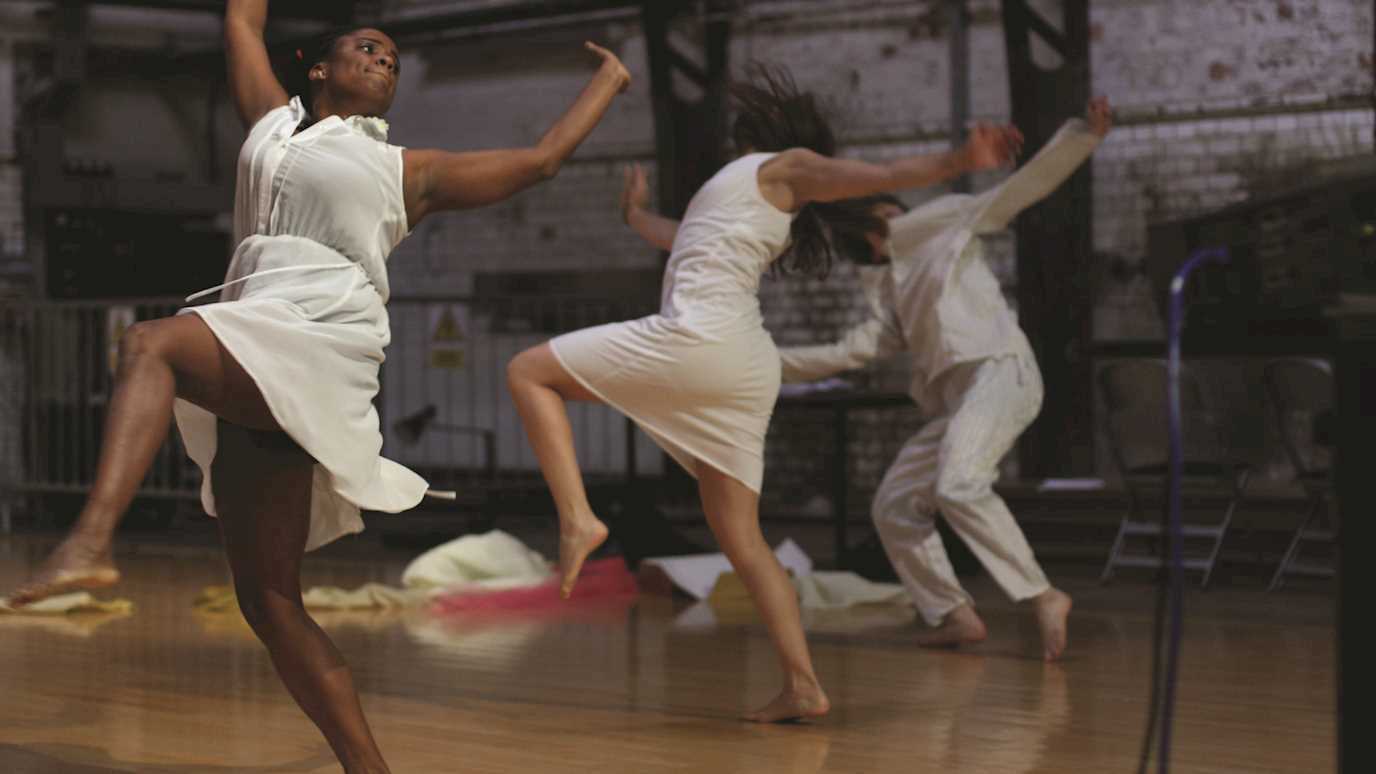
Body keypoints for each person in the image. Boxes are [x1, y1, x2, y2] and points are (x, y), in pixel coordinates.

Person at [7, 1, 630, 770]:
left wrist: (610, 81)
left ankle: (88, 542)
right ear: (319, 68)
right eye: (368, 49)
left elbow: (538, 162)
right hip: (256, 326)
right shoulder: (270, 122)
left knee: (149, 344)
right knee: (268, 602)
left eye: (394, 62)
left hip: (323, 337)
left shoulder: (408, 170)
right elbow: (242, 21)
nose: (383, 63)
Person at [505, 65, 1022, 722]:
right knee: (742, 540)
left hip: (702, 340)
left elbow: (872, 177)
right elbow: (679, 241)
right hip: (747, 365)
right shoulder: (744, 200)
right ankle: (802, 683)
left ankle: (578, 517)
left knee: (528, 371)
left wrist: (959, 159)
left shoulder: (784, 165)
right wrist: (636, 215)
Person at [777, 98, 1114, 662]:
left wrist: (1081, 136)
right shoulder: (887, 287)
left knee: (958, 482)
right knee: (892, 506)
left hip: (1001, 371)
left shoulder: (932, 228)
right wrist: (759, 358)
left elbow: (1015, 192)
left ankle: (1042, 594)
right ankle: (955, 614)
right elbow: (850, 351)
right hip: (961, 402)